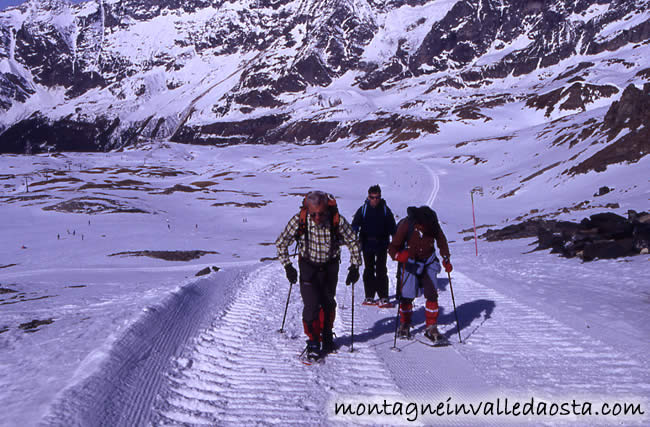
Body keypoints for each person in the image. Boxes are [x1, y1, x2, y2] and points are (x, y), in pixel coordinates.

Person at [276, 191, 362, 360]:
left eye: (321, 213)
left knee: (328, 302)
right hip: (308, 266)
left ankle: (327, 334)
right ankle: (314, 340)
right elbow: (281, 242)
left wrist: (355, 266)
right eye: (313, 214)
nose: (317, 217)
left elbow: (353, 241)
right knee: (311, 305)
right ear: (308, 210)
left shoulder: (336, 220)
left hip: (330, 266)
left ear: (326, 210)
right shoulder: (299, 220)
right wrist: (288, 266)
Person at [388, 205, 452, 344]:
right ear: (419, 223)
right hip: (410, 262)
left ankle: (431, 327)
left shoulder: (432, 224)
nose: (427, 229)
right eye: (425, 226)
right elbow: (392, 247)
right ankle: (405, 324)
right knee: (407, 294)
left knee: (432, 293)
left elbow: (442, 241)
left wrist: (446, 258)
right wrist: (399, 255)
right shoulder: (406, 225)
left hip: (428, 261)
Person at [351, 184, 397, 308]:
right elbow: (355, 224)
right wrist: (353, 235)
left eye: (377, 197)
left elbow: (392, 227)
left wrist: (397, 241)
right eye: (372, 197)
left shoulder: (385, 210)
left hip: (382, 244)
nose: (375, 200)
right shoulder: (363, 209)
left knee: (381, 270)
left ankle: (383, 297)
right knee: (369, 269)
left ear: (380, 197)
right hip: (367, 244)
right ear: (369, 197)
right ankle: (369, 296)